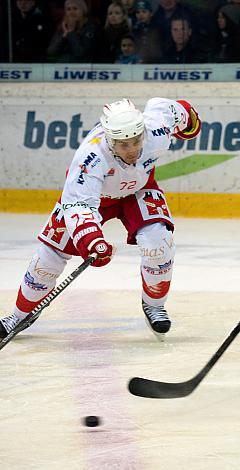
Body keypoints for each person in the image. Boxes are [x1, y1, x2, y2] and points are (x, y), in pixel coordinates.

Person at [0, 98, 202, 341]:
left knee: (159, 243)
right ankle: (19, 316)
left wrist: (190, 123)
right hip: (92, 198)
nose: (132, 150)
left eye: (136, 141)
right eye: (123, 144)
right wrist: (93, 242)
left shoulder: (155, 130)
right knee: (47, 260)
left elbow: (175, 110)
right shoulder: (90, 157)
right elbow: (79, 206)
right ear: (109, 139)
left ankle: (154, 305)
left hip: (138, 189)